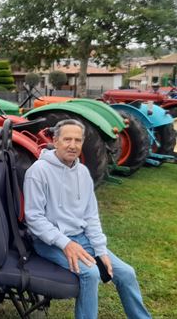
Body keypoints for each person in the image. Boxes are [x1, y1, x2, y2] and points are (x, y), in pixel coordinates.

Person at [23, 119, 151, 319]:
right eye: (67, 139)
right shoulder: (38, 172)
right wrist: (66, 244)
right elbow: (34, 218)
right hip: (50, 243)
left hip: (82, 239)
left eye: (78, 140)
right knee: (90, 274)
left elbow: (91, 215)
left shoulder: (82, 172)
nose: (73, 145)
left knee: (126, 273)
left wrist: (101, 250)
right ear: (55, 141)